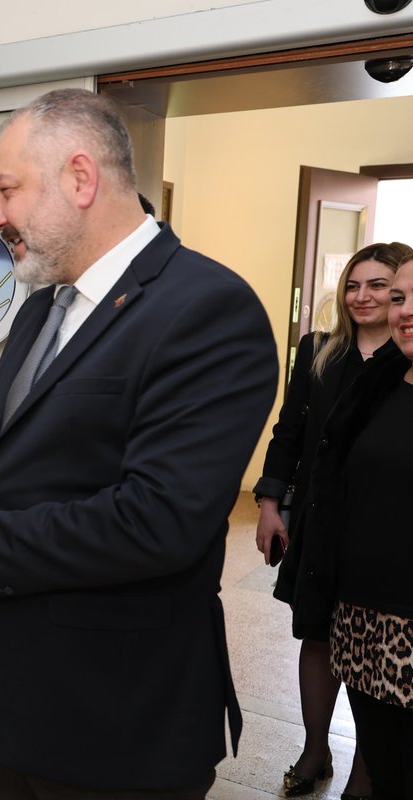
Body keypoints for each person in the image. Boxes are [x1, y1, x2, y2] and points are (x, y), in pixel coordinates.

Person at [0, 88, 277, 798]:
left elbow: (155, 522)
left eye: (7, 190)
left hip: (115, 725)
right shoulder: (43, 306)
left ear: (79, 178)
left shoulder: (207, 309)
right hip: (15, 708)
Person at [253, 241, 410, 799]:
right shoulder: (320, 350)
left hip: (378, 526)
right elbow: (288, 432)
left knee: (376, 653)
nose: (362, 297)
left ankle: (367, 773)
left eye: (380, 287)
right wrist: (270, 503)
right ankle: (314, 749)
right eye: (353, 285)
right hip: (319, 524)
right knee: (317, 633)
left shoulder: (402, 360)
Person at [298, 256, 413, 800]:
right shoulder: (380, 380)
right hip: (363, 618)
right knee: (388, 769)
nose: (404, 311)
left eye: (387, 290)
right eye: (401, 299)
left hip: (405, 625)